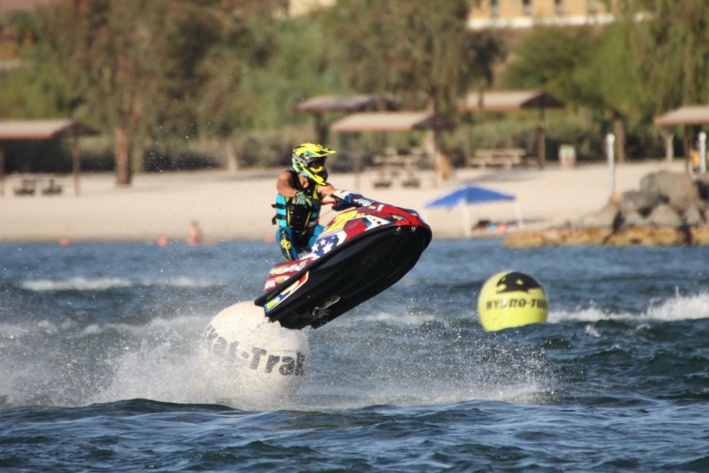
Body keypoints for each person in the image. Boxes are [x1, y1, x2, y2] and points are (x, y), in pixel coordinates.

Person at [273, 143, 337, 261]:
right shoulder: (288, 177)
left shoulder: (319, 186)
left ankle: (333, 262)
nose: (321, 168)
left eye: (322, 164)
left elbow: (334, 192)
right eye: (316, 165)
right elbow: (281, 187)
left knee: (328, 234)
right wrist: (296, 194)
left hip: (311, 235)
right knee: (284, 233)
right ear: (302, 164)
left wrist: (345, 199)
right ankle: (293, 267)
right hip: (289, 236)